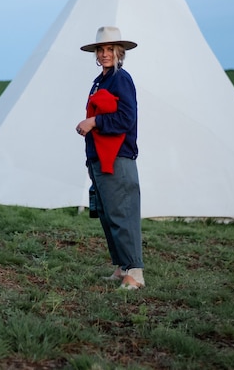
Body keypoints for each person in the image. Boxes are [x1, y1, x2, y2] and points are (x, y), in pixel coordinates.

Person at [75, 26, 144, 290]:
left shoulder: (121, 79)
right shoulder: (100, 81)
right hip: (99, 157)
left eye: (110, 50)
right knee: (108, 214)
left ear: (120, 52)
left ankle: (135, 273)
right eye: (101, 49)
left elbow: (127, 118)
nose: (104, 54)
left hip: (118, 157)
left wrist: (94, 121)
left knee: (122, 213)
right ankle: (122, 267)